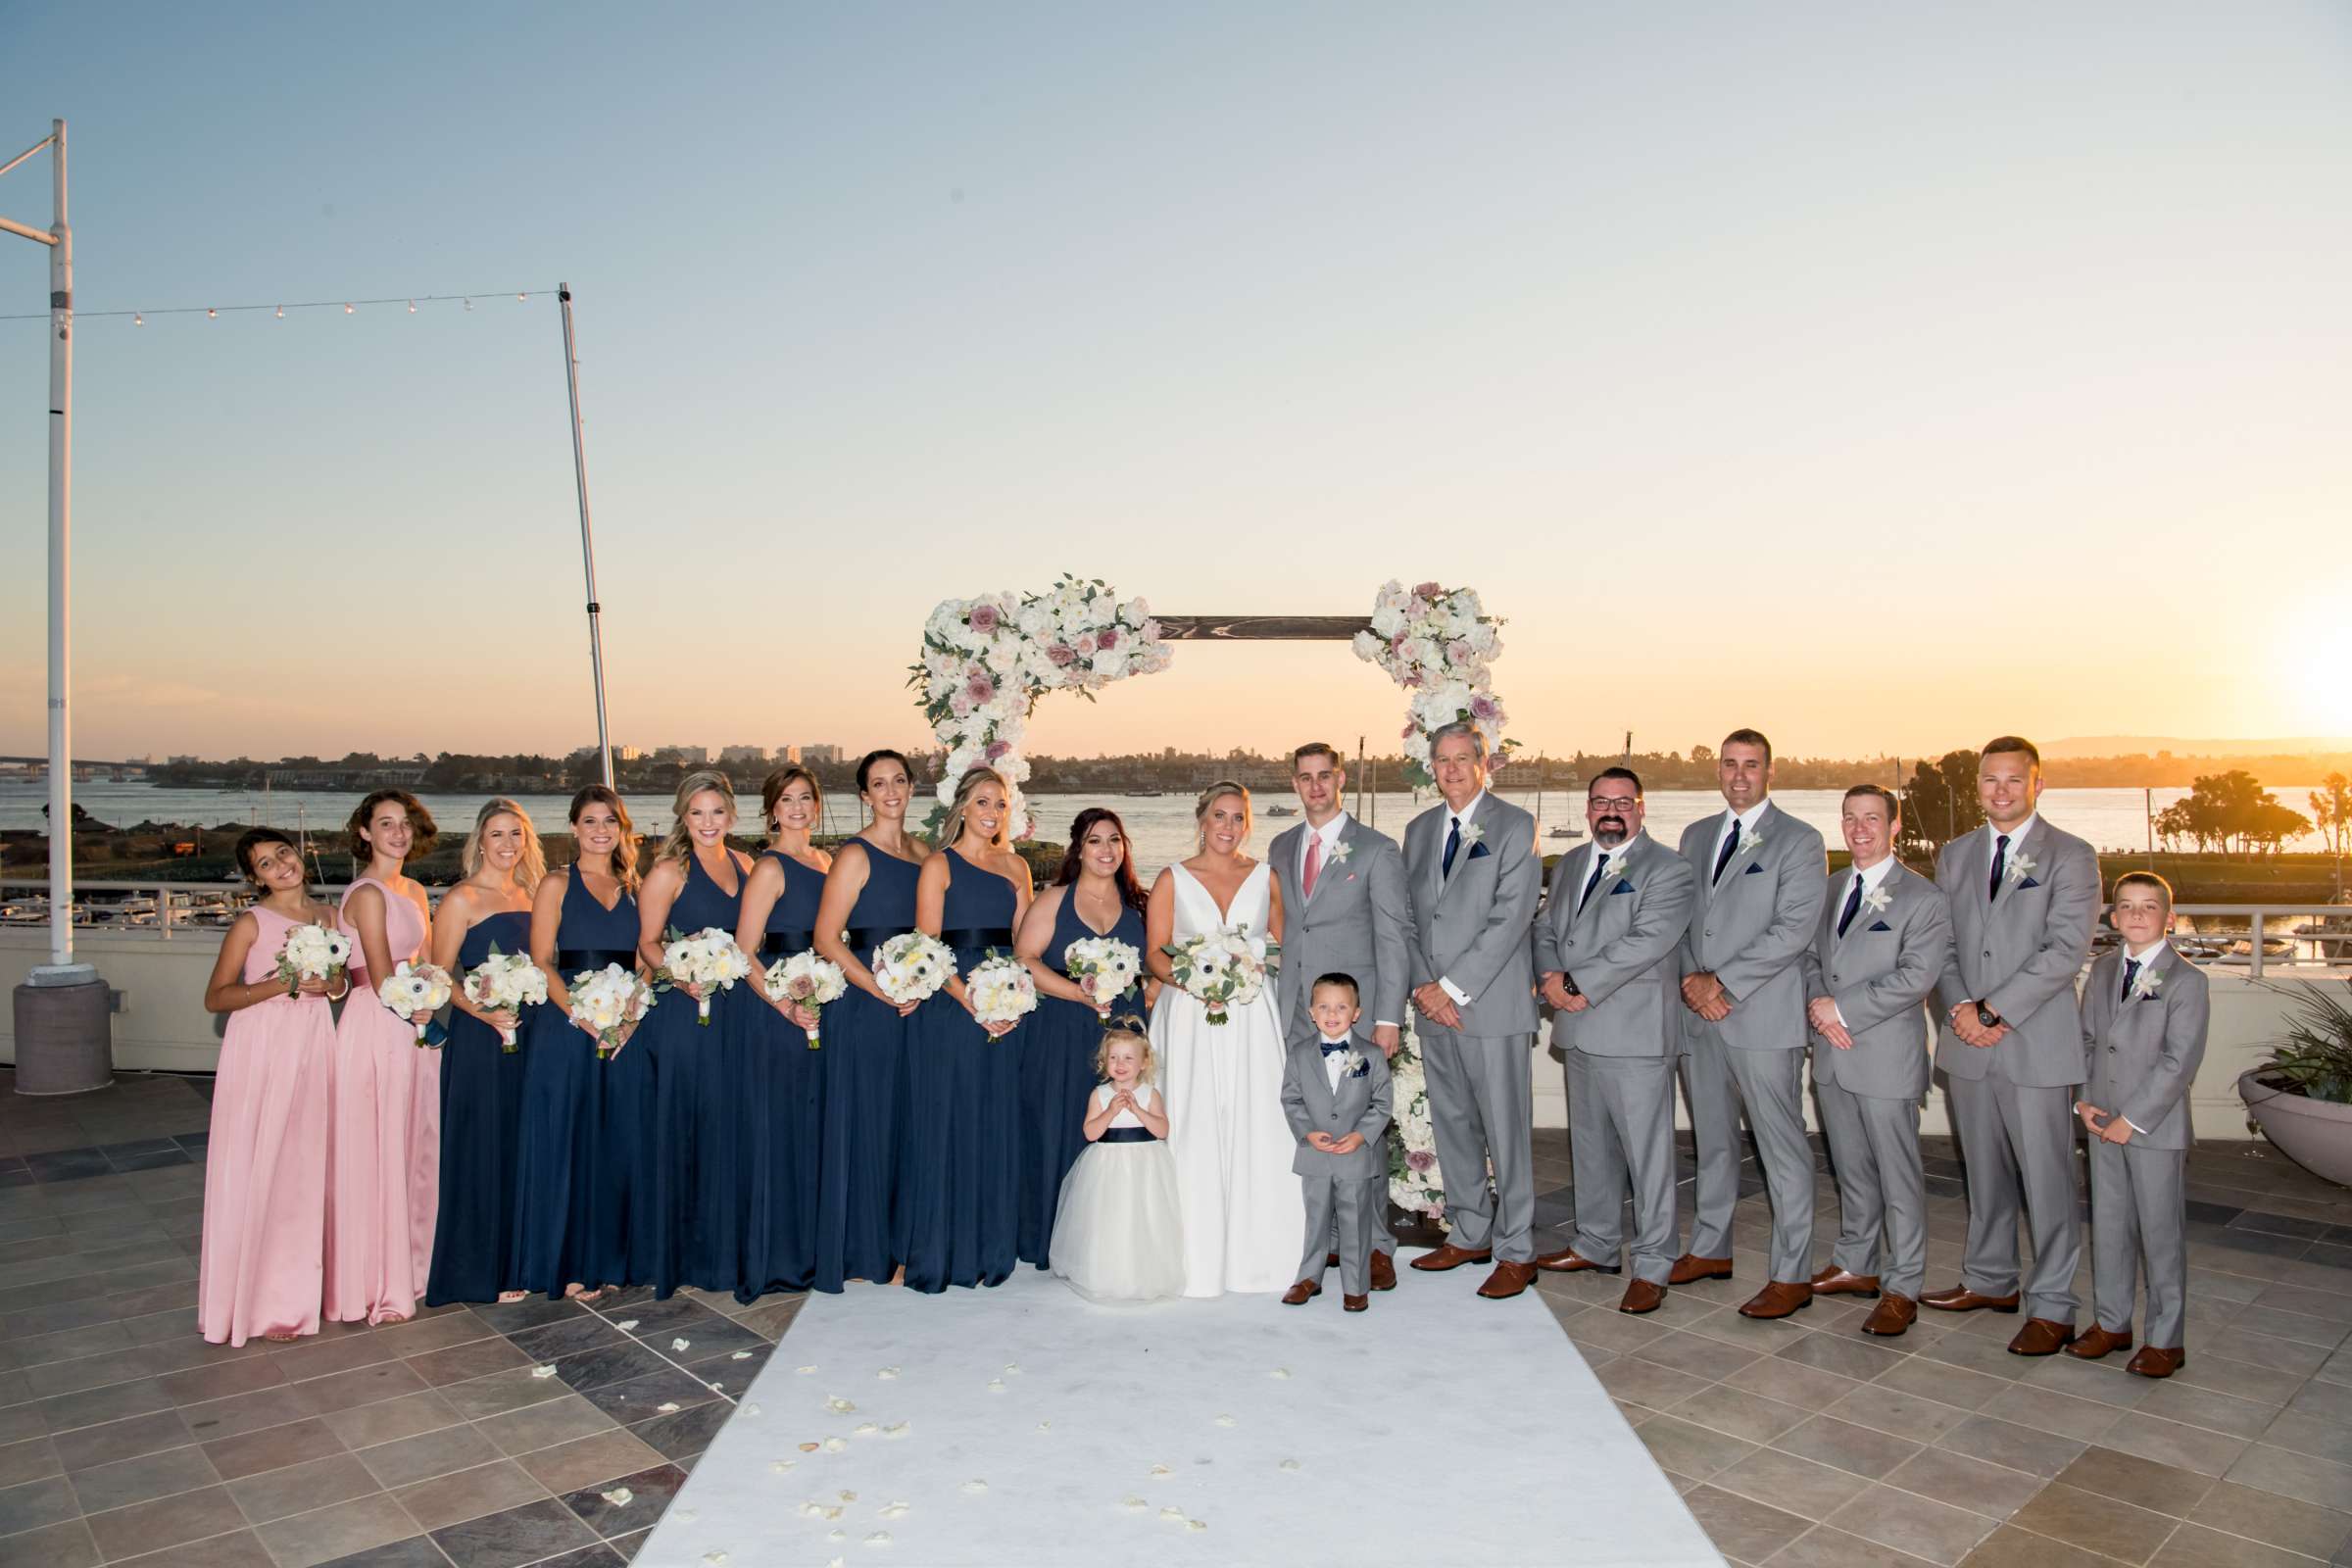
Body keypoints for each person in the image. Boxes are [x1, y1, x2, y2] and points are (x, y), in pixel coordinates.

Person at [1923, 737, 2099, 1356]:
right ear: (1978, 786)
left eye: (2013, 781)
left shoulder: (2072, 857)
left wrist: (1995, 1010)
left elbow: (2065, 949)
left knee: (2047, 1178)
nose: (2000, 792)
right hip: (1968, 1041)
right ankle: (1991, 1280)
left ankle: (2053, 1304)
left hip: (2035, 1045)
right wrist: (1961, 1010)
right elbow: (1940, 944)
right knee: (1984, 1171)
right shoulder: (1956, 855)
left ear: (2037, 785)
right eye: (1990, 781)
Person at [1673, 727, 1829, 1319]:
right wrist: (1693, 980)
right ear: (1718, 769)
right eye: (1731, 765)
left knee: (1780, 1147)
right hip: (1700, 1013)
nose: (1740, 776)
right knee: (1711, 1142)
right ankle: (1711, 1248)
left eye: (1752, 766)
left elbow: (1792, 930)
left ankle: (1792, 1274)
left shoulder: (1800, 840)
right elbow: (1681, 918)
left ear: (1771, 773)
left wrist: (1724, 983)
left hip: (1761, 1016)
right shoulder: (1695, 835)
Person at [1532, 769, 1695, 1315]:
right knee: (1591, 1147)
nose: (1611, 811)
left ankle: (1653, 1263)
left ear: (1641, 808)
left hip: (1636, 1035)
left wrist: (1576, 984)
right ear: (1586, 809)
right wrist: (1551, 976)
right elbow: (1546, 928)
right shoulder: (1573, 863)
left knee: (1646, 1158)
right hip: (1578, 1029)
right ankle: (1596, 1244)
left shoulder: (1668, 869)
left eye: (1623, 802)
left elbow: (1648, 940)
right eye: (1601, 801)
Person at [1800, 785, 1954, 1337]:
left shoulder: (1923, 898)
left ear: (1894, 828)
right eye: (1850, 818)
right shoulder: (1831, 887)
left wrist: (1840, 1009)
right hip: (1832, 1054)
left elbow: (1917, 978)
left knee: (1897, 1176)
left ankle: (1903, 1284)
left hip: (1885, 1056)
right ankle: (1854, 1264)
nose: (1859, 828)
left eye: (1871, 819)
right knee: (1851, 1169)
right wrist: (1821, 1010)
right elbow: (1813, 960)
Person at [1400, 723, 1542, 1299]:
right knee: (1453, 1124)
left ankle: (1517, 1249)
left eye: (1463, 759)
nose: (1452, 769)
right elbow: (1405, 919)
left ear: (1484, 763)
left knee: (1505, 1132)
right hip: (1433, 1006)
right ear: (1430, 767)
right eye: (1442, 760)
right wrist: (1422, 985)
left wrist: (1452, 988)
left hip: (1490, 1006)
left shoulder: (1516, 826)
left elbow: (1511, 917)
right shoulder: (1418, 830)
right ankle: (1469, 1231)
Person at [1147, 781, 1305, 1297]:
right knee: (1191, 1120)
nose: (1228, 827)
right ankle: (1192, 1254)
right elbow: (1155, 955)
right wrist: (1195, 981)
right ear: (1202, 819)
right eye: (1220, 816)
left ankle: (1259, 1254)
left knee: (1253, 1117)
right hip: (1190, 1017)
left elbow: (1285, 947)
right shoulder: (1173, 878)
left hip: (1250, 1017)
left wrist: (1248, 971)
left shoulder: (1266, 878)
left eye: (1238, 818)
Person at [1265, 742, 1410, 1293]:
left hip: (1356, 1015)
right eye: (1305, 778)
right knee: (1311, 1125)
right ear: (1295, 784)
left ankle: (1374, 1244)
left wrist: (1389, 1017)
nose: (1316, 787)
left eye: (1325, 776)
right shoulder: (1280, 846)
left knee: (1360, 1132)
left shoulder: (1375, 849)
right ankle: (1323, 1243)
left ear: (1341, 779)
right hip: (1298, 1012)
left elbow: (1395, 937)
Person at [198, 828, 344, 1345]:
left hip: (314, 1042)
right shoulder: (251, 923)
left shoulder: (330, 916)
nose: (280, 865)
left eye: (283, 852)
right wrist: (281, 983)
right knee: (263, 1166)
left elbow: (344, 980)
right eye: (265, 863)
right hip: (261, 1047)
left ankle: (304, 1290)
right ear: (253, 878)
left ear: (299, 853)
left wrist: (334, 984)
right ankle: (264, 1302)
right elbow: (217, 998)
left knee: (308, 1167)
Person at [2069, 872, 2209, 1379]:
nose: (2136, 915)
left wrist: (2134, 1120)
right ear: (2112, 917)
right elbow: (2087, 1040)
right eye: (2125, 906)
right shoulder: (2103, 970)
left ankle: (2166, 1339)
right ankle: (2111, 1323)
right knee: (2109, 1226)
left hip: (2153, 1127)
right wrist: (2084, 1100)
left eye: (2148, 907)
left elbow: (2179, 1061)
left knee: (2160, 1232)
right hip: (2102, 1121)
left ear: (2169, 918)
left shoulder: (2188, 980)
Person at [899, 768, 1033, 1293]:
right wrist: (973, 998)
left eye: (1000, 803)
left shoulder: (1016, 865)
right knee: (951, 1120)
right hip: (954, 1006)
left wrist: (1016, 996)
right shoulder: (938, 864)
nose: (992, 811)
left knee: (996, 1119)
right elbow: (927, 947)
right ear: (962, 806)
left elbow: (1023, 943)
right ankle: (944, 1251)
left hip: (1006, 1001)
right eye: (983, 801)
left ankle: (992, 1247)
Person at [511, 785, 643, 1302]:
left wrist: (630, 1016)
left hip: (624, 1027)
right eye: (590, 821)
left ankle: (609, 1259)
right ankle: (563, 1261)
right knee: (566, 1139)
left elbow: (645, 960)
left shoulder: (632, 886)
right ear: (573, 828)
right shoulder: (556, 884)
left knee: (613, 1142)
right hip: (568, 1027)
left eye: (610, 821)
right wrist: (585, 1017)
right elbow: (541, 959)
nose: (601, 831)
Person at [1012, 807, 1152, 1270]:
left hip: (1122, 1038)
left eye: (1115, 839)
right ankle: (1052, 1240)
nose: (1106, 849)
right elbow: (1025, 959)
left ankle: (1110, 1243)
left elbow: (1156, 969)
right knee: (1059, 1125)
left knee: (1118, 1129)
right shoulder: (1054, 900)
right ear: (1078, 848)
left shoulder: (1139, 906)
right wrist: (1079, 993)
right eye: (1095, 840)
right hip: (1060, 1030)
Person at [810, 750, 929, 1291]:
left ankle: (905, 1244)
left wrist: (921, 985)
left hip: (916, 1006)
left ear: (911, 787)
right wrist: (881, 988)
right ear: (864, 795)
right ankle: (865, 1250)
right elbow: (825, 937)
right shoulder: (854, 856)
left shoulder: (925, 854)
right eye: (878, 784)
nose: (890, 792)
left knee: (910, 1122)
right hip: (867, 1005)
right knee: (870, 1123)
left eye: (898, 781)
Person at [635, 771, 756, 1297]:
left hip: (736, 1010)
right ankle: (682, 1255)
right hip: (685, 1015)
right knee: (687, 1124)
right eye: (697, 813)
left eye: (717, 812)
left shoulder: (745, 865)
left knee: (730, 1126)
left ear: (731, 815)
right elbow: (647, 943)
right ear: (684, 817)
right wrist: (683, 978)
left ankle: (726, 1250)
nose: (708, 823)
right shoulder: (669, 870)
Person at [325, 789, 439, 1326]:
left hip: (415, 1020)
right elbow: (382, 973)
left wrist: (444, 1003)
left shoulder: (415, 889)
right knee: (379, 1145)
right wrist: (418, 1009)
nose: (398, 832)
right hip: (378, 1020)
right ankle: (377, 1279)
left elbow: (432, 964)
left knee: (417, 1142)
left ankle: (417, 1265)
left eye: (405, 823)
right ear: (365, 833)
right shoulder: (368, 893)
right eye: (385, 823)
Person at [425, 799, 543, 1305]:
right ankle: (483, 1269)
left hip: (533, 1032)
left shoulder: (535, 892)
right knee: (484, 1146)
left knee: (525, 1144)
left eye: (516, 834)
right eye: (497, 834)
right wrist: (480, 1011)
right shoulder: (461, 899)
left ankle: (524, 1258)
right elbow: (438, 973)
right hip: (482, 1036)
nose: (507, 844)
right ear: (479, 840)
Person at [731, 766, 833, 1301]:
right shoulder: (769, 868)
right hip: (778, 1013)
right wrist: (785, 1005)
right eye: (786, 800)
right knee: (782, 1128)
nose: (797, 807)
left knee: (817, 1126)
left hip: (824, 1003)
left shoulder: (827, 862)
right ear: (771, 809)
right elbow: (743, 950)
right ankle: (780, 1256)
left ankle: (818, 1248)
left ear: (817, 805)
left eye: (805, 798)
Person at [1279, 974, 1394, 1312]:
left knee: (1355, 1222)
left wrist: (1360, 1135)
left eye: (1341, 1007)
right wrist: (1307, 1131)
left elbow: (1382, 1103)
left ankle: (1356, 1287)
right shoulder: (1299, 1053)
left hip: (1354, 1154)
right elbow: (1291, 1099)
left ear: (1356, 1013)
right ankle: (1308, 1278)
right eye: (1324, 1007)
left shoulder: (1370, 1054)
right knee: (1315, 1221)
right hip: (1316, 1154)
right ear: (1312, 1012)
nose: (1332, 1014)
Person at [1048, 1024, 1183, 1303]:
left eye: (1128, 1058)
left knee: (1142, 1218)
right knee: (1110, 1219)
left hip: (1145, 1165)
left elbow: (1162, 1129)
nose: (1120, 1064)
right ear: (1104, 1061)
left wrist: (1137, 1110)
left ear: (1144, 1062)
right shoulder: (1099, 1094)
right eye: (1113, 1058)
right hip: (1108, 1165)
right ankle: (1106, 1274)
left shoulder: (1150, 1094)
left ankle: (1144, 1274)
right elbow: (1090, 1133)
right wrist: (1111, 1111)